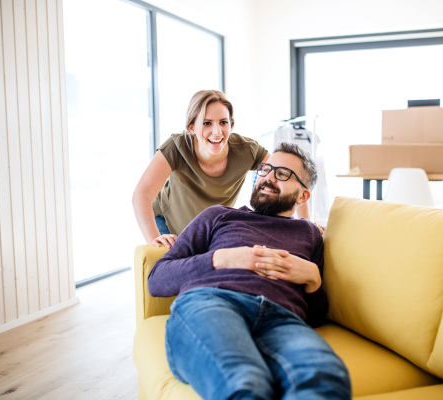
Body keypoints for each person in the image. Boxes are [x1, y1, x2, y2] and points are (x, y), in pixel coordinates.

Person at [148, 143, 351, 400]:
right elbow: (157, 279)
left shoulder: (310, 234)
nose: (268, 178)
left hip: (282, 320)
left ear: (302, 197)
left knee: (325, 380)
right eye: (265, 169)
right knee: (245, 383)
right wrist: (221, 258)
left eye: (283, 174)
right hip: (214, 303)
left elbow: (315, 317)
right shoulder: (218, 216)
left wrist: (313, 278)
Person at [132, 90, 314, 249]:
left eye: (223, 122)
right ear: (191, 127)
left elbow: (290, 176)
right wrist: (154, 239)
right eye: (206, 123)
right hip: (168, 223)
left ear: (231, 124)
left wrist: (305, 225)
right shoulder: (176, 147)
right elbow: (141, 195)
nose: (217, 132)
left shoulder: (246, 150)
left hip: (211, 228)